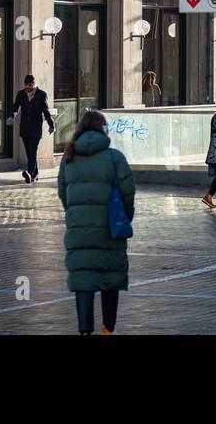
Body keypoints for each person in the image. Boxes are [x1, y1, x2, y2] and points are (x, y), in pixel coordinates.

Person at [57, 109, 135, 335]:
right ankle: (108, 329)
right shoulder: (115, 157)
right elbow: (128, 193)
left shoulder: (68, 158)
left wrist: (75, 216)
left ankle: (84, 330)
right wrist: (124, 219)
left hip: (79, 230)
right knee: (110, 278)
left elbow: (63, 193)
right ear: (103, 129)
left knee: (83, 279)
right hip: (110, 228)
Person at [9, 74, 55, 183]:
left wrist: (51, 125)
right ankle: (35, 173)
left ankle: (29, 174)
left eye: (30, 85)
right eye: (26, 85)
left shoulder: (41, 95)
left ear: (34, 84)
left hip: (35, 129)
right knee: (29, 153)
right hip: (25, 128)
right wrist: (11, 116)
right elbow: (15, 107)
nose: (28, 87)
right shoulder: (21, 94)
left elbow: (46, 112)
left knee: (33, 151)